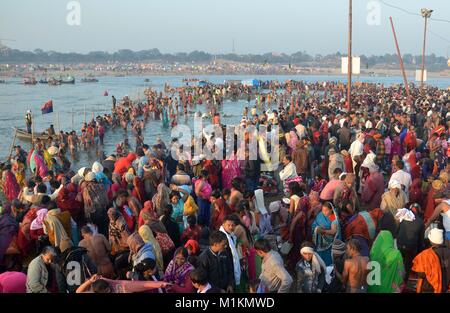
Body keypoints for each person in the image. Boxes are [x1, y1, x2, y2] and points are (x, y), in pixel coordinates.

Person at [412, 228, 450, 293]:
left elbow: (421, 273)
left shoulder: (426, 255)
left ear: (431, 240)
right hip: (445, 287)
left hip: (429, 288)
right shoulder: (448, 251)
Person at [395, 204, 425, 281]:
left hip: (399, 244)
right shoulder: (421, 222)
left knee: (399, 263)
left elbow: (397, 231)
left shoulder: (403, 218)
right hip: (410, 248)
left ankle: (396, 278)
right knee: (408, 265)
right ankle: (404, 281)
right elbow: (421, 241)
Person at [76, 273, 170, 293]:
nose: (109, 291)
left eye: (109, 289)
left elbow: (140, 285)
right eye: (106, 291)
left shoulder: (118, 288)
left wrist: (160, 284)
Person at [312, 201, 340, 266]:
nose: (324, 212)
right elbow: (315, 223)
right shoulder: (320, 215)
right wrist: (316, 228)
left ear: (331, 210)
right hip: (319, 242)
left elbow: (333, 232)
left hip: (329, 243)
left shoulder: (332, 217)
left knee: (327, 258)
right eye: (323, 210)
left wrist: (323, 231)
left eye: (326, 210)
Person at [219, 215, 241, 292]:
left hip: (231, 270)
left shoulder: (231, 235)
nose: (231, 227)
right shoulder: (221, 238)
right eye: (228, 225)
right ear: (223, 224)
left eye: (233, 225)